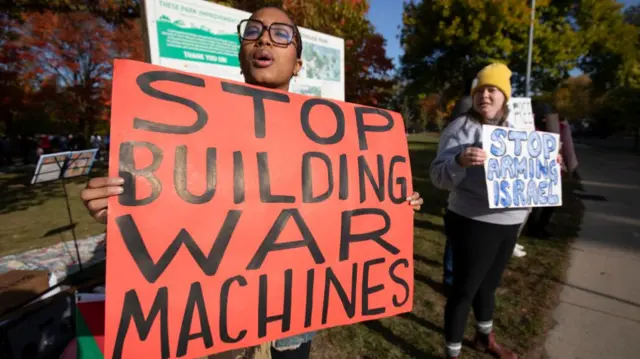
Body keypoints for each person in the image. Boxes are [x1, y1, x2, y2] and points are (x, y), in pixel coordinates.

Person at [80, 7, 424, 359]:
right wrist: (124, 207)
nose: (263, 38)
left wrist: (395, 202)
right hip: (222, 321)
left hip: (295, 316)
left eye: (281, 33)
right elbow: (176, 206)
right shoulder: (193, 133)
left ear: (298, 64)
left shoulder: (331, 139)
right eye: (254, 30)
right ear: (242, 57)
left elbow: (352, 200)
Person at [431, 63, 528, 359]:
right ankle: (453, 353)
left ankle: (485, 337)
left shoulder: (518, 129)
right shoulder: (460, 129)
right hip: (473, 221)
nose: (484, 96)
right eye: (479, 90)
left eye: (492, 90)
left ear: (505, 97)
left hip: (510, 222)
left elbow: (530, 176)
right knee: (464, 291)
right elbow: (437, 177)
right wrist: (459, 161)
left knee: (489, 286)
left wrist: (550, 166)